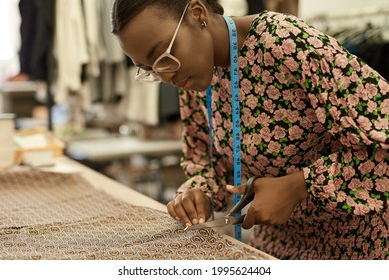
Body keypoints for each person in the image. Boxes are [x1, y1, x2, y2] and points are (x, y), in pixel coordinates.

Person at [111, 0, 388, 259]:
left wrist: (299, 186)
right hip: (277, 246)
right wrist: (197, 192)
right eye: (149, 69)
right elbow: (205, 160)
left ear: (197, 14)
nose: (165, 76)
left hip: (358, 245)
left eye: (163, 56)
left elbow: (383, 140)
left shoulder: (283, 41)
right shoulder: (193, 77)